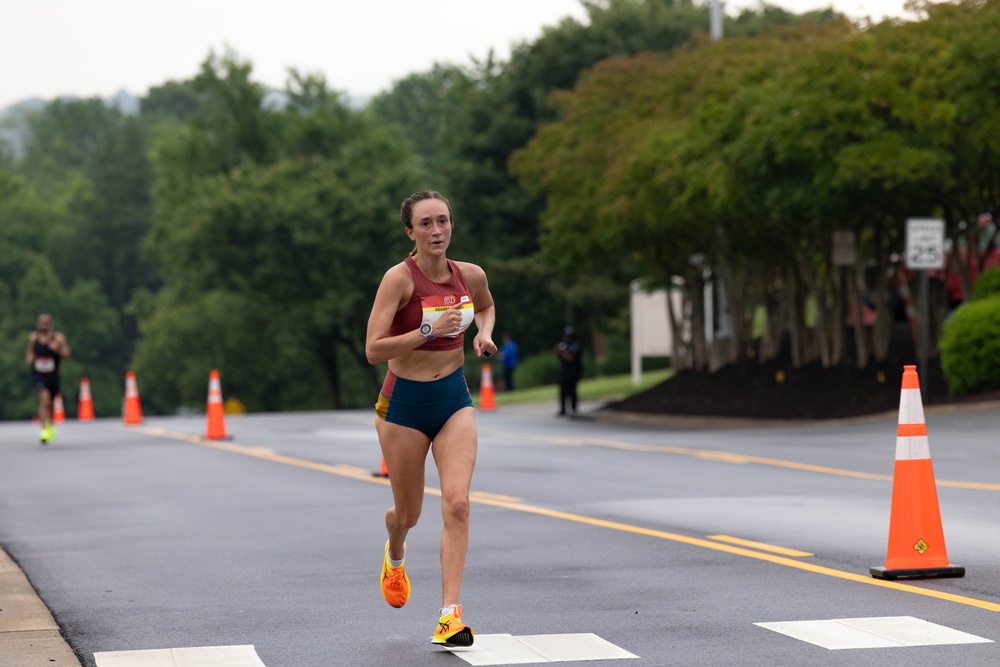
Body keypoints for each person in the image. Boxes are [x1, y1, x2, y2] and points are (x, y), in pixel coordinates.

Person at [365, 190, 497, 648]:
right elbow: (373, 349)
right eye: (426, 224)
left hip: (453, 400)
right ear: (410, 232)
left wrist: (483, 334)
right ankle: (395, 550)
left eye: (443, 221)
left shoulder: (471, 275)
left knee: (458, 503)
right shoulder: (398, 280)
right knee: (410, 513)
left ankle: (449, 617)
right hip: (402, 407)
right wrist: (425, 330)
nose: (436, 230)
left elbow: (485, 305)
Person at [25, 312, 71, 443]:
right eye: (41, 322)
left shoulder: (58, 338)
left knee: (50, 403)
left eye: (46, 322)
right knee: (44, 400)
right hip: (39, 375)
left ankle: (49, 424)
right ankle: (43, 429)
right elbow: (30, 353)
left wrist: (58, 350)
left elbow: (68, 355)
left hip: (53, 375)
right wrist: (30, 358)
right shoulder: (33, 338)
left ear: (51, 324)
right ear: (37, 324)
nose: (44, 325)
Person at [555, 326, 582, 416]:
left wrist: (563, 352)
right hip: (564, 372)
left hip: (573, 371)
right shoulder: (564, 344)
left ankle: (574, 408)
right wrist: (558, 351)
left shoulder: (575, 345)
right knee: (563, 391)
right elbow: (557, 355)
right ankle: (563, 409)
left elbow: (571, 358)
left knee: (573, 390)